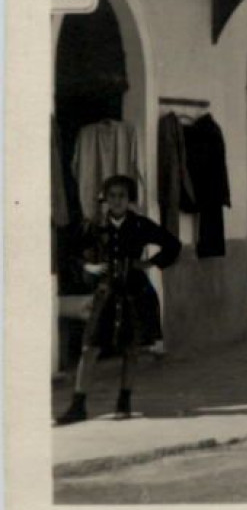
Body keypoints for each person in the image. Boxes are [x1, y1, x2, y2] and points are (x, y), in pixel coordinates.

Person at [57, 175, 182, 425]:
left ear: (129, 200)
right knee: (90, 347)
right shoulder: (93, 226)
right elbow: (67, 249)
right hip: (105, 292)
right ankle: (78, 405)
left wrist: (149, 262)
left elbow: (172, 245)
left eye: (122, 196)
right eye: (112, 196)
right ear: (105, 199)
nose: (117, 201)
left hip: (134, 293)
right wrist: (88, 266)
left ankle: (124, 402)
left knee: (130, 348)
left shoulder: (139, 225)